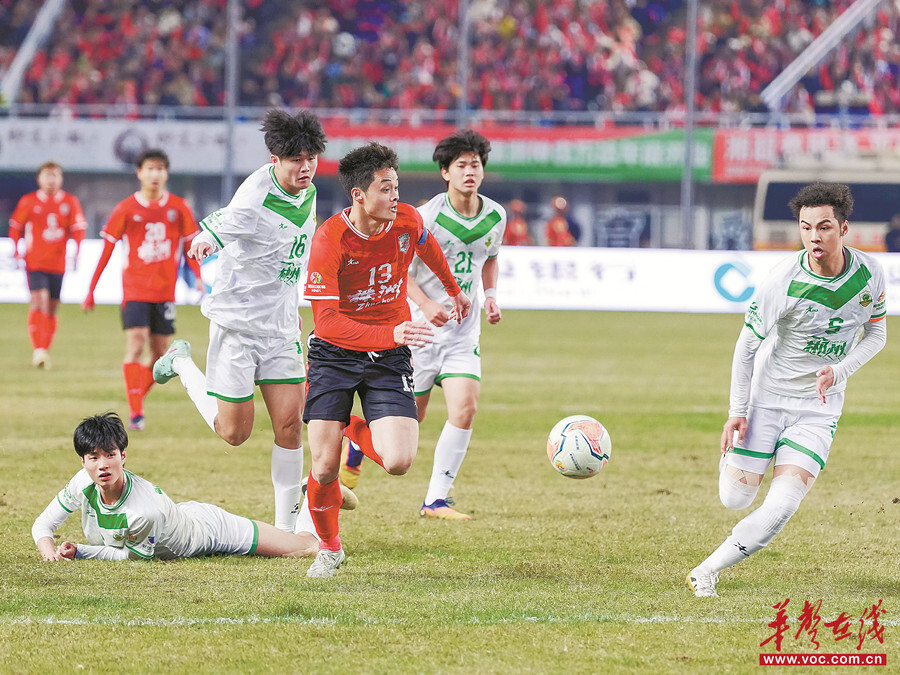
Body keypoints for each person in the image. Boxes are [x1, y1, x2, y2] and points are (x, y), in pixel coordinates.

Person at [687, 183, 887, 598]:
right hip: (767, 399)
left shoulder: (870, 274)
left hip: (818, 408)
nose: (814, 236)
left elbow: (877, 333)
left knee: (783, 505)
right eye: (806, 227)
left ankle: (706, 571)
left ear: (843, 228)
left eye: (824, 227)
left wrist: (840, 370)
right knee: (735, 499)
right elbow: (746, 347)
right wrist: (737, 411)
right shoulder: (783, 281)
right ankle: (734, 459)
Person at [151, 109, 329, 535]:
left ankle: (285, 530)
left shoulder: (308, 191)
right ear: (275, 159)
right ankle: (181, 363)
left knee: (290, 425)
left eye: (311, 158)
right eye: (296, 160)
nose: (305, 167)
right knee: (234, 433)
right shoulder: (253, 196)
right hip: (238, 325)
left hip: (281, 327)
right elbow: (218, 227)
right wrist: (204, 243)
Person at [302, 142, 471, 577]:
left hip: (388, 357)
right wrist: (390, 332)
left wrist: (452, 290)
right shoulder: (329, 240)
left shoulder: (407, 220)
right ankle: (330, 549)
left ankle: (350, 429)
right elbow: (327, 324)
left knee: (398, 462)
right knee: (324, 467)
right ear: (358, 195)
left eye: (396, 186)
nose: (395, 196)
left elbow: (427, 246)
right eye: (385, 188)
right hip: (334, 355)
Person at [342, 130, 505, 521]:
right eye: (461, 165)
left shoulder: (496, 216)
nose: (470, 172)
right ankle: (358, 442)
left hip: (463, 334)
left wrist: (491, 295)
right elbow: (401, 269)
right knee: (410, 418)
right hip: (419, 331)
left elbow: (489, 259)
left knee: (465, 409)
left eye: (475, 164)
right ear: (445, 172)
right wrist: (426, 303)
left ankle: (436, 500)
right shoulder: (426, 216)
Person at [32, 413, 321, 562]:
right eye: (93, 458)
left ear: (123, 456)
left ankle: (313, 494)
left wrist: (81, 551)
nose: (103, 465)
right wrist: (50, 554)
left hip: (212, 530)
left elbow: (130, 557)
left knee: (305, 547)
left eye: (110, 455)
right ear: (83, 461)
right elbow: (43, 524)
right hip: (180, 516)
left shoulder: (144, 512)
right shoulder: (82, 482)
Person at [82, 149, 203, 432]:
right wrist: (91, 289)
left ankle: (136, 399)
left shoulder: (179, 207)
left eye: (160, 169)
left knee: (160, 355)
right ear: (139, 173)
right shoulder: (126, 208)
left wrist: (198, 277)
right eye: (150, 168)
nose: (155, 174)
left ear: (166, 174)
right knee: (135, 345)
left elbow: (190, 247)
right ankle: (136, 413)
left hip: (165, 293)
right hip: (135, 290)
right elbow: (107, 249)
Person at [9, 162, 87, 369]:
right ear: (39, 178)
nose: (51, 180)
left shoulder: (69, 202)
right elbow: (16, 228)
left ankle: (44, 348)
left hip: (58, 263)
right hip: (34, 262)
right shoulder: (29, 201)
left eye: (55, 176)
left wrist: (77, 251)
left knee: (52, 307)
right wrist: (16, 250)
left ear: (61, 179)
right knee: (39, 301)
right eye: (47, 175)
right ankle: (38, 350)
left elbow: (78, 229)